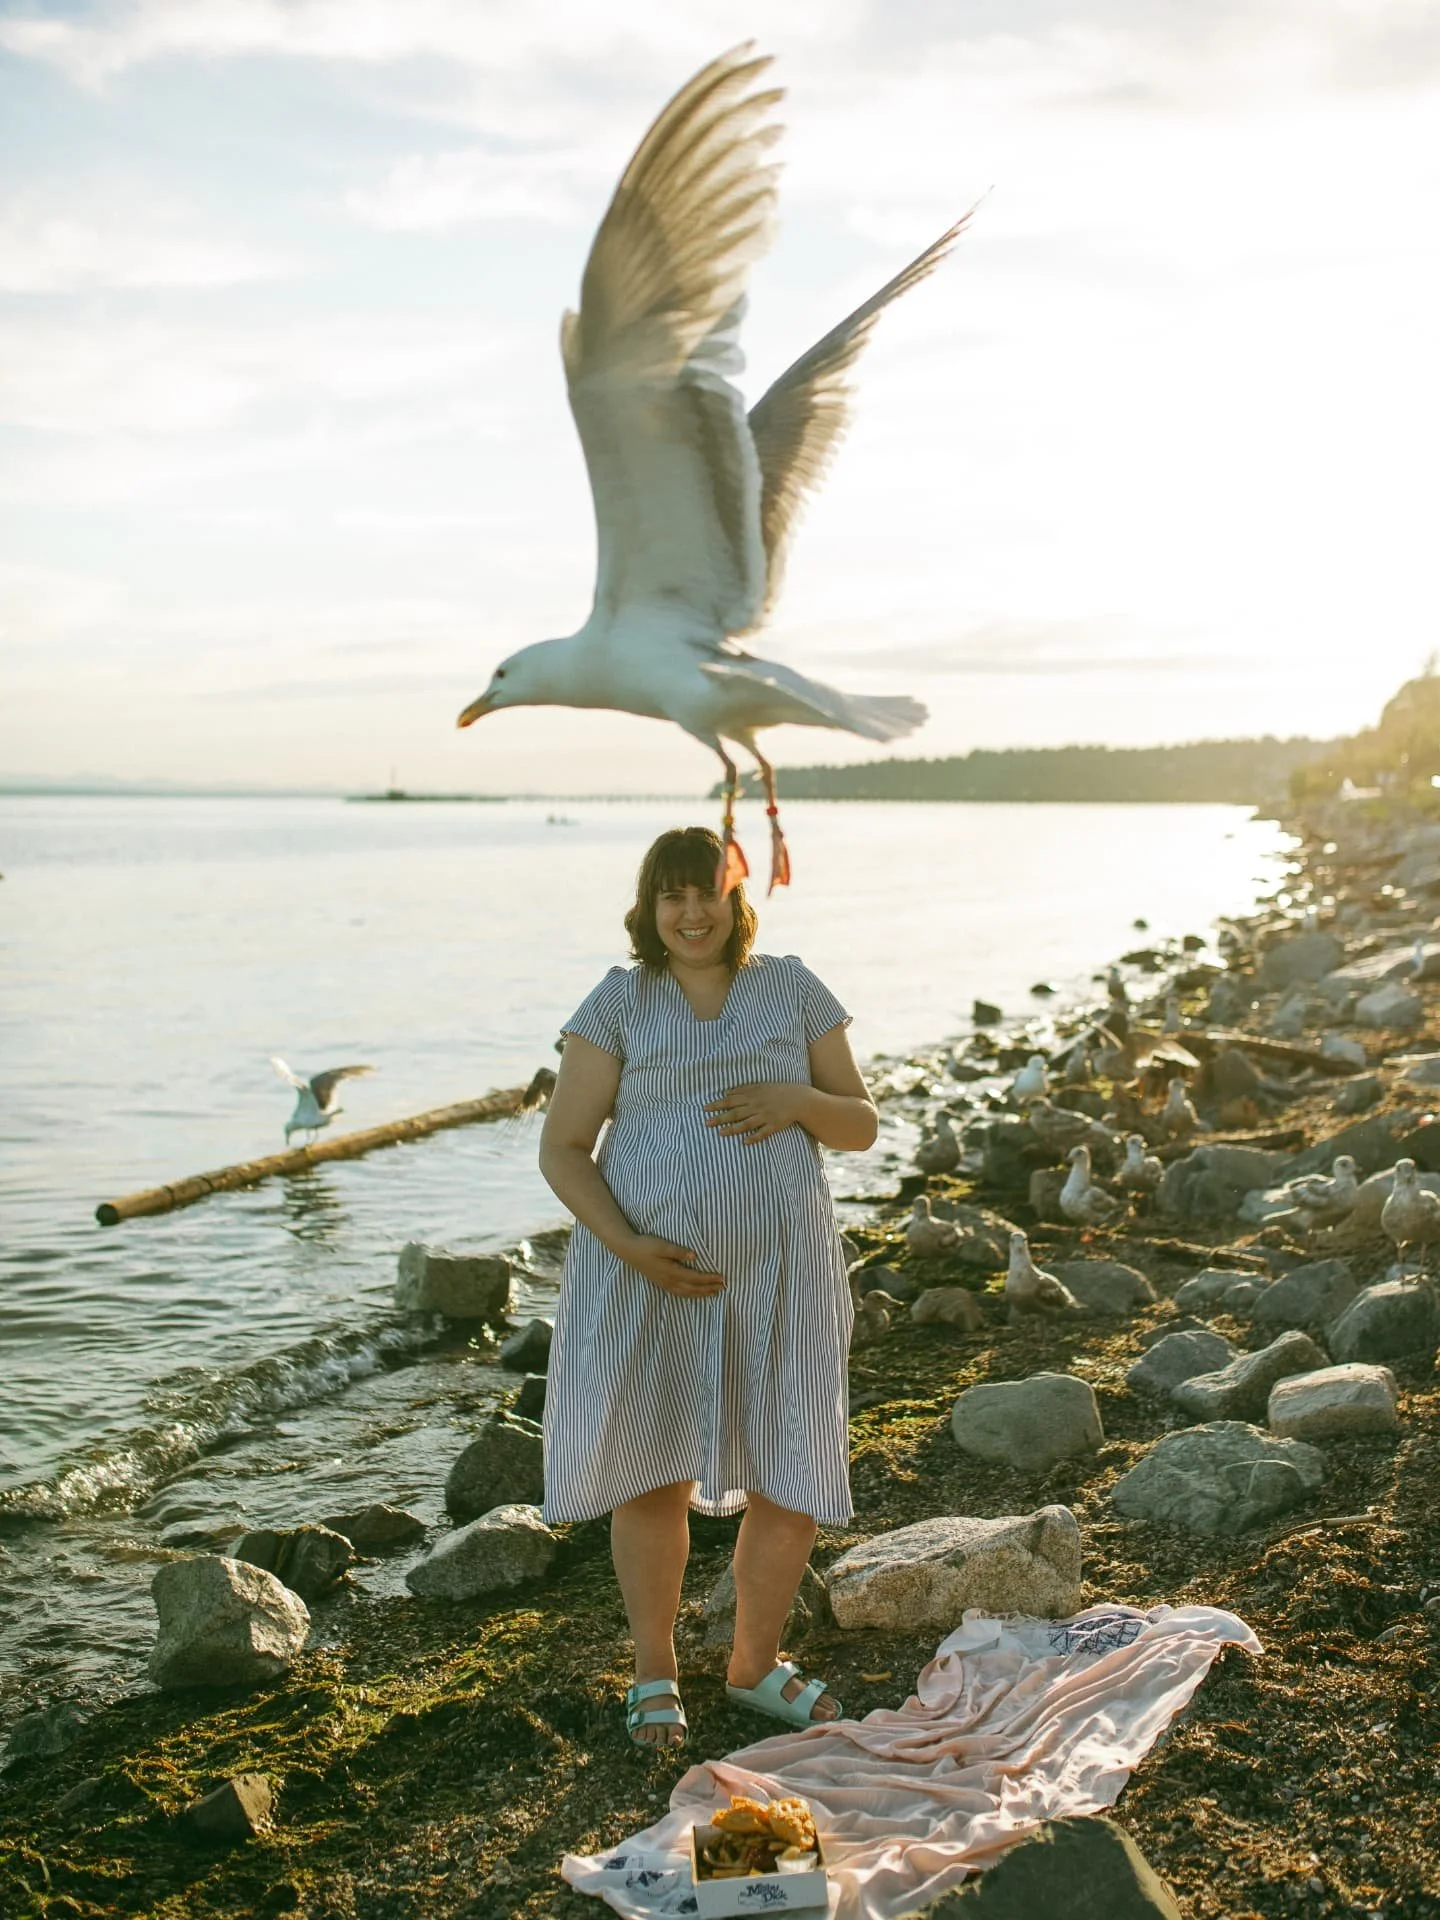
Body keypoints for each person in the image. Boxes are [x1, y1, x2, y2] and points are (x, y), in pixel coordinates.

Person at [538, 826, 878, 1750]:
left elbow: (860, 1125)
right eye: (672, 896)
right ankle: (655, 1671)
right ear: (649, 908)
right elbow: (562, 1150)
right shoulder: (618, 1002)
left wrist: (796, 1101)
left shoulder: (792, 985)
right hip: (648, 1280)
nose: (692, 913)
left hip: (784, 1277)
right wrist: (631, 1246)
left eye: (709, 894)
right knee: (653, 1471)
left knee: (792, 1461)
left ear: (738, 901)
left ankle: (754, 1665)